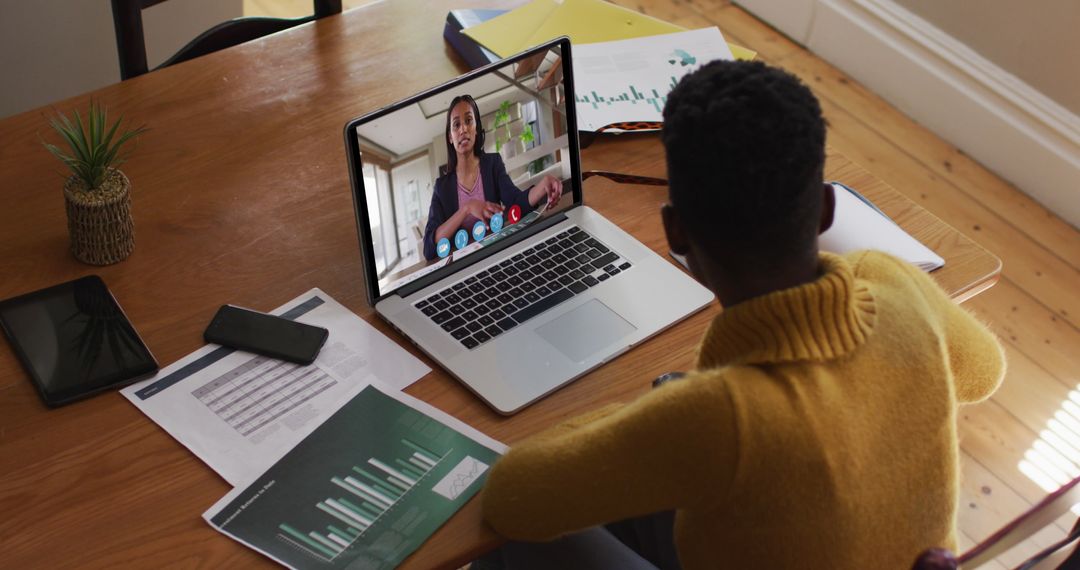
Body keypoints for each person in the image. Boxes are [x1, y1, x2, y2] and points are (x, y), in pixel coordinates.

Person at [478, 60, 1006, 569]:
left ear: (676, 231)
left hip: (703, 450)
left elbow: (510, 496)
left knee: (519, 537)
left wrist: (657, 411)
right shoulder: (894, 282)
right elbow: (984, 373)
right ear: (826, 208)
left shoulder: (716, 417)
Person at [422, 94, 562, 260]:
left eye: (468, 121)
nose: (463, 129)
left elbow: (515, 202)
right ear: (450, 137)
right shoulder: (442, 187)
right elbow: (429, 247)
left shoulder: (492, 164)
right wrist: (467, 208)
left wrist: (542, 185)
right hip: (463, 263)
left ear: (476, 128)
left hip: (496, 254)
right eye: (456, 125)